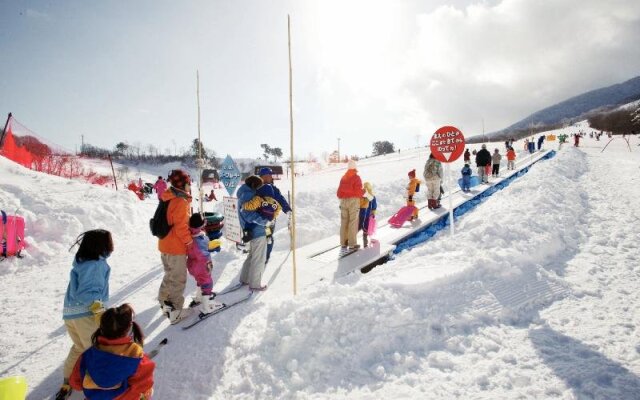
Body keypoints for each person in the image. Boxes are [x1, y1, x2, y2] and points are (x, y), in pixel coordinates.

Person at [56, 229, 113, 400]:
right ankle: (97, 386)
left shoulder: (82, 263)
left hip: (71, 315)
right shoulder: (96, 266)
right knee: (96, 350)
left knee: (80, 347)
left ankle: (67, 380)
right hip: (86, 315)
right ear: (103, 246)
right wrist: (99, 311)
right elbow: (88, 293)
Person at [69, 304, 155, 400]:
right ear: (129, 327)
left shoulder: (88, 355)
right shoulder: (137, 357)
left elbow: (76, 383)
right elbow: (144, 386)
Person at [158, 169, 193, 324]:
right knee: (178, 279)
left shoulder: (167, 196)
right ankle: (175, 312)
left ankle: (164, 302)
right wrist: (189, 242)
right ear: (183, 184)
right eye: (188, 183)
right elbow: (180, 226)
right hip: (175, 246)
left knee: (169, 274)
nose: (189, 186)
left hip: (164, 243)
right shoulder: (180, 201)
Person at [237, 175, 272, 291]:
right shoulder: (249, 195)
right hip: (257, 230)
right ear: (253, 185)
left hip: (250, 230)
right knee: (258, 258)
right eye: (258, 186)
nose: (260, 188)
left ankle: (245, 278)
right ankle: (255, 284)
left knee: (252, 255)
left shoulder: (243, 193)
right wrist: (264, 221)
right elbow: (248, 214)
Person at [187, 213, 223, 314]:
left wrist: (209, 247)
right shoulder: (198, 240)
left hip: (193, 265)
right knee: (207, 282)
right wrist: (211, 249)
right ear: (200, 226)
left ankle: (199, 297)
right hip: (202, 265)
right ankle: (207, 306)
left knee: (200, 280)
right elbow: (201, 253)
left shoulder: (192, 234)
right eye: (203, 222)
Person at [257, 167, 292, 263]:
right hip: (257, 219)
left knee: (268, 237)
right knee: (258, 238)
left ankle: (265, 257)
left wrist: (287, 209)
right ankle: (258, 256)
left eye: (270, 175)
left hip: (270, 220)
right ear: (262, 177)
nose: (270, 177)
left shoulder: (273, 188)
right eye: (267, 175)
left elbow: (281, 199)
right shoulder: (256, 187)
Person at [337, 159, 365, 249]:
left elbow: (338, 193)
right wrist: (363, 191)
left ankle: (343, 242)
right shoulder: (356, 178)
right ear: (355, 168)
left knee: (344, 221)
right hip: (353, 201)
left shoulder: (343, 178)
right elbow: (358, 192)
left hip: (343, 201)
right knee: (353, 222)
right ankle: (352, 244)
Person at [359, 182, 377, 247]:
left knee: (361, 226)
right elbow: (374, 206)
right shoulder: (371, 196)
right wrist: (373, 213)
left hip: (361, 214)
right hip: (368, 215)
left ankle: (364, 242)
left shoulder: (362, 195)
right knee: (367, 228)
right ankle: (365, 242)